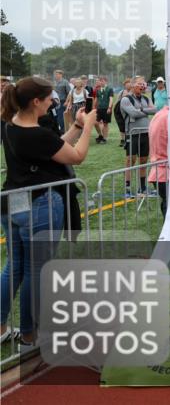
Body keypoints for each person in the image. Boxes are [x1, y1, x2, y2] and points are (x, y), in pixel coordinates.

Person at [0, 76, 96, 348]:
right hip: (40, 204)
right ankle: (30, 335)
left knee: (14, 267)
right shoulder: (37, 134)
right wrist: (89, 126)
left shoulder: (10, 125)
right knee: (37, 271)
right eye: (48, 98)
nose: (53, 102)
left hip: (12, 202)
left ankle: (1, 327)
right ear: (35, 101)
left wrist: (77, 125)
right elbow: (76, 156)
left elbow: (55, 148)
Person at [121, 77, 157, 199]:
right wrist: (146, 111)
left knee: (143, 162)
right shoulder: (126, 99)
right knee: (130, 161)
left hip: (146, 133)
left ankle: (142, 188)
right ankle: (127, 189)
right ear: (132, 85)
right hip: (133, 134)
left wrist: (141, 109)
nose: (142, 86)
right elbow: (133, 113)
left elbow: (155, 110)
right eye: (139, 84)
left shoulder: (146, 98)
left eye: (143, 84)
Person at [147, 104, 169, 215]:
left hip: (159, 170)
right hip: (166, 171)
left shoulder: (159, 114)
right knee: (169, 205)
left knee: (166, 203)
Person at [113, 79, 133, 147]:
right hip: (120, 110)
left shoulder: (133, 92)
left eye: (129, 83)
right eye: (126, 84)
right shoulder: (121, 92)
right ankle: (122, 140)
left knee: (128, 124)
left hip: (129, 110)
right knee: (121, 124)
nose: (127, 85)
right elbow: (117, 101)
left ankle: (128, 139)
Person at [94, 76, 113, 144]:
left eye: (102, 81)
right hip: (99, 109)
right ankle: (100, 135)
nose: (101, 82)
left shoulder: (109, 89)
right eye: (100, 81)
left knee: (105, 123)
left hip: (106, 108)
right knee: (95, 122)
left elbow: (111, 99)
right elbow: (96, 100)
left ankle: (105, 138)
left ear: (106, 81)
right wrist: (94, 108)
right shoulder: (98, 90)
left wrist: (109, 107)